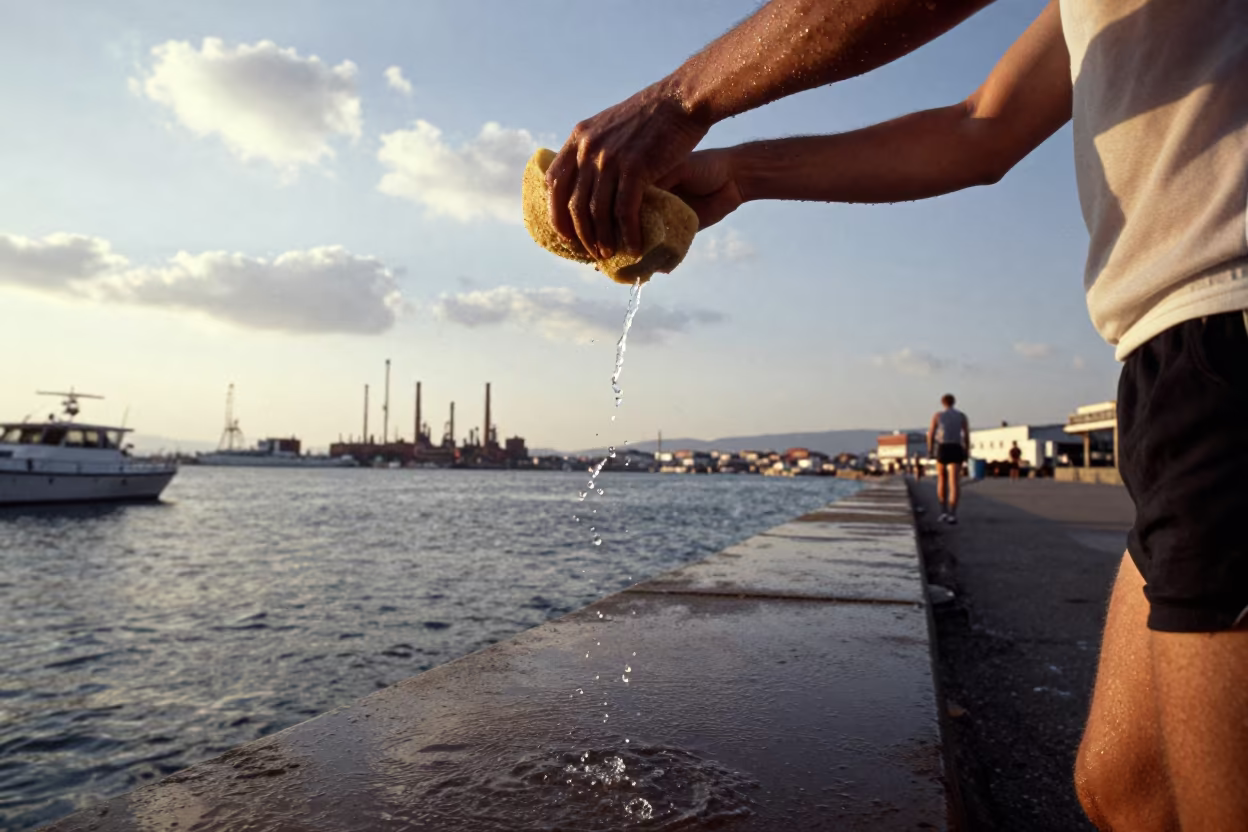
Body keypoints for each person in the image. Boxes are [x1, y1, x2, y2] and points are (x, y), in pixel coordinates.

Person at [546, 2, 1248, 828]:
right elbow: (979, 127)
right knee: (1131, 789)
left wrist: (679, 100)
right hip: (1177, 356)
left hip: (1226, 331)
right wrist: (743, 173)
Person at [927, 394, 969, 524]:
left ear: (942, 403)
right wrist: (966, 450)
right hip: (956, 447)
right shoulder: (962, 416)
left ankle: (943, 511)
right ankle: (953, 513)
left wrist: (930, 450)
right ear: (954, 402)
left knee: (941, 479)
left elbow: (931, 434)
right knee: (954, 482)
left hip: (943, 447)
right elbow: (966, 434)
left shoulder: (937, 416)